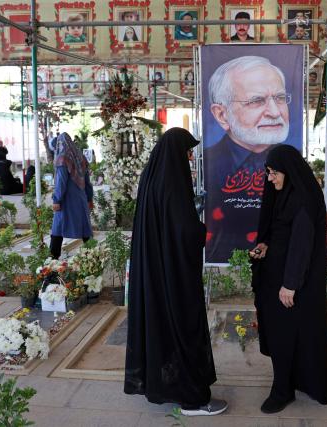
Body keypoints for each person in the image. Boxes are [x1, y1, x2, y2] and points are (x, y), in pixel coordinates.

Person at [124, 128, 227, 416]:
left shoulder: (153, 175)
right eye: (188, 151)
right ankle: (192, 398)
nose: (190, 157)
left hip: (157, 272)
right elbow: (186, 231)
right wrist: (202, 226)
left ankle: (168, 386)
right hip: (174, 275)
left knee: (163, 328)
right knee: (183, 327)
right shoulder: (173, 181)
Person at [250, 144, 327, 414]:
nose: (270, 178)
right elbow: (279, 232)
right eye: (268, 172)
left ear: (288, 171)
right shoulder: (283, 194)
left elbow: (301, 245)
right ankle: (291, 379)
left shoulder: (303, 200)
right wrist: (264, 245)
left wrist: (289, 285)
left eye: (274, 172)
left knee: (284, 336)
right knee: (282, 335)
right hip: (276, 276)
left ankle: (282, 390)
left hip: (291, 283)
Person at [205, 56, 291, 262]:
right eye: (256, 101)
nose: (274, 112)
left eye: (279, 98)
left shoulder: (293, 165)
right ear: (222, 115)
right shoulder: (207, 165)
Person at [50, 132, 93, 259]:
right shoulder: (80, 157)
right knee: (85, 229)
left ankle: (52, 259)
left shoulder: (62, 159)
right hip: (81, 199)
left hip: (66, 200)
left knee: (57, 228)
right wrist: (89, 198)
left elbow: (61, 182)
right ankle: (93, 256)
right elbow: (87, 181)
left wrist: (56, 200)